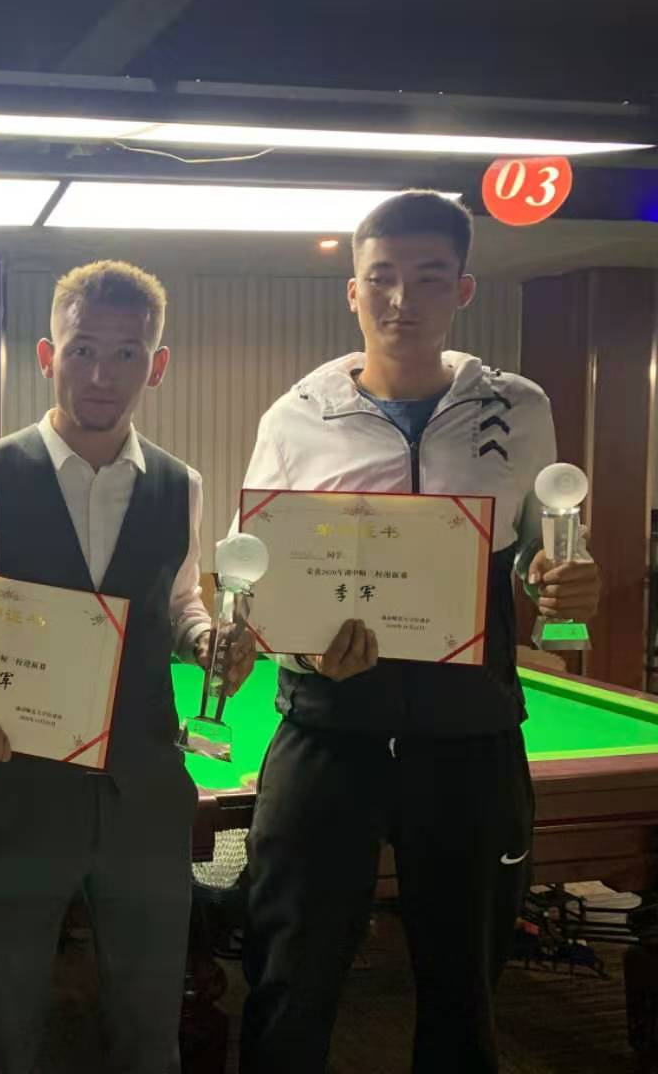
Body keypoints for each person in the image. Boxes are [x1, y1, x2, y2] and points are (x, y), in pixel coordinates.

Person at [236, 191, 603, 1073]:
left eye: (429, 278)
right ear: (352, 292)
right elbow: (256, 576)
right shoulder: (294, 418)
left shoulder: (519, 408)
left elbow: (537, 553)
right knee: (290, 974)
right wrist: (302, 645)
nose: (402, 300)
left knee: (465, 985)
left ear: (463, 290)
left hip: (469, 733)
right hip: (328, 724)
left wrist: (564, 578)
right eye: (382, 278)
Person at [0, 259, 256, 1073]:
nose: (101, 375)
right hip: (25, 784)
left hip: (147, 786)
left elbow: (176, 601)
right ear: (48, 356)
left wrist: (206, 640)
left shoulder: (180, 485)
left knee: (150, 1026)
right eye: (82, 351)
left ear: (157, 364)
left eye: (125, 354)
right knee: (5, 1021)